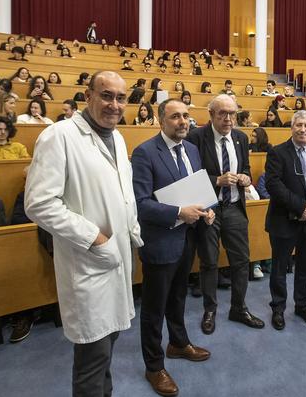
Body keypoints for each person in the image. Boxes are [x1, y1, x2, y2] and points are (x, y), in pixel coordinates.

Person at [25, 71, 143, 397]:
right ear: (87, 95)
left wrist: (131, 231)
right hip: (88, 262)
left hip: (117, 259)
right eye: (106, 95)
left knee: (109, 343)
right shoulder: (58, 136)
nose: (114, 104)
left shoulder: (117, 137)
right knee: (93, 355)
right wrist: (94, 237)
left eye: (121, 98)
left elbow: (123, 193)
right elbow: (38, 204)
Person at [131, 98, 214, 396]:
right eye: (175, 116)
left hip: (188, 238)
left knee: (178, 297)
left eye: (186, 116)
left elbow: (197, 191)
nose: (183, 121)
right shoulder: (144, 153)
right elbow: (141, 205)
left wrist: (206, 208)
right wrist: (179, 213)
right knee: (154, 308)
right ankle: (154, 366)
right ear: (160, 120)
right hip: (160, 240)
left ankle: (178, 343)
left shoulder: (192, 149)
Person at [186, 95, 265, 335]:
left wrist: (245, 177)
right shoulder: (196, 137)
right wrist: (216, 181)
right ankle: (210, 310)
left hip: (234, 208)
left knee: (241, 261)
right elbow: (190, 175)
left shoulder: (241, 138)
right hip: (208, 209)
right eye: (222, 113)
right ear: (211, 115)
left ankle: (239, 308)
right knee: (209, 262)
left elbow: (247, 169)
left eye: (232, 113)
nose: (228, 118)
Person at [264, 110, 306, 331]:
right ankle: (278, 308)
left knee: (305, 267)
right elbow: (273, 185)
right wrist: (300, 207)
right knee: (280, 268)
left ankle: (302, 305)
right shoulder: (277, 152)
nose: (303, 129)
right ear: (291, 127)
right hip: (283, 220)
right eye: (298, 125)